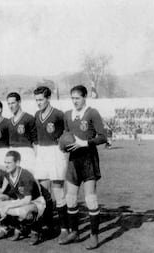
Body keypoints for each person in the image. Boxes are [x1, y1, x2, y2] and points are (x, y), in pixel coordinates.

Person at [59, 85, 107, 250]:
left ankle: (94, 236)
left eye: (77, 98)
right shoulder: (67, 115)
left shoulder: (92, 113)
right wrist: (63, 144)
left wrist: (84, 143)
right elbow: (66, 136)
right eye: (72, 98)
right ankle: (74, 232)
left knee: (90, 200)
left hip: (88, 159)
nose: (75, 101)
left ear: (85, 97)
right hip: (73, 161)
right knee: (70, 199)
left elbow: (103, 137)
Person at [33, 86, 69, 241]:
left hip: (56, 152)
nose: (38, 103)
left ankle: (64, 228)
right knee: (44, 190)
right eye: (36, 100)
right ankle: (48, 225)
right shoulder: (36, 114)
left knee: (58, 190)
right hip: (42, 152)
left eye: (41, 99)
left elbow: (67, 134)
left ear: (48, 98)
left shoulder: (59, 115)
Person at [0, 151, 46, 245]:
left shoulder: (26, 175)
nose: (6, 165)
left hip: (36, 202)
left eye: (9, 163)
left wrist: (8, 207)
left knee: (24, 212)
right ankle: (8, 227)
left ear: (17, 163)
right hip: (21, 200)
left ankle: (36, 231)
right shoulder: (8, 173)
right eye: (5, 162)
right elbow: (6, 180)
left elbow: (27, 199)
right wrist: (0, 192)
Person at [6, 92, 37, 172]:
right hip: (13, 152)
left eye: (13, 103)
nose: (11, 106)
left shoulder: (29, 118)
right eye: (8, 103)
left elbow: (35, 141)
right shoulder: (9, 121)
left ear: (19, 102)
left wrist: (37, 156)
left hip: (26, 152)